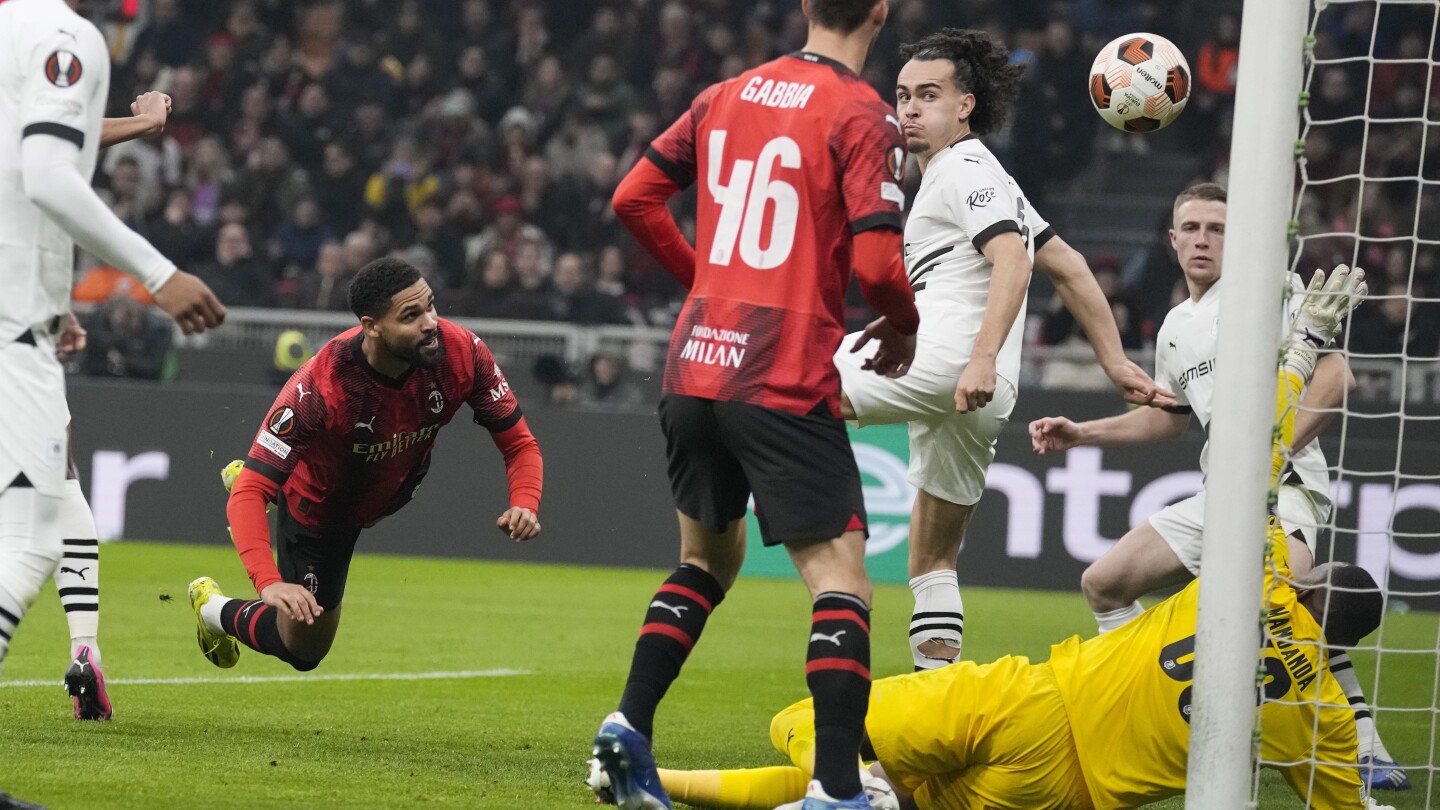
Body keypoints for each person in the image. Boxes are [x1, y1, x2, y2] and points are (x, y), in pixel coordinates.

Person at [592, 267, 1397, 810]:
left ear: (1307, 583)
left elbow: (1255, 453)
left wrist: (1301, 347)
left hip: (1030, 703)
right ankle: (674, 784)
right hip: (1062, 794)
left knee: (805, 728)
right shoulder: (1320, 715)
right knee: (888, 786)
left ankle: (824, 786)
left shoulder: (1255, 583)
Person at [595, 1, 922, 807]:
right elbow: (880, 269)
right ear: (881, 11)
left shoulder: (723, 95)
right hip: (781, 370)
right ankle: (837, 790)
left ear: (805, 4)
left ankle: (626, 730)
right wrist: (905, 326)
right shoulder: (862, 113)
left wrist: (709, 285)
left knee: (706, 562)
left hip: (695, 364)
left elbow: (633, 198)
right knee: (842, 583)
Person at [1028, 183, 1408, 791]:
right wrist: (1083, 432)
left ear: (1238, 238)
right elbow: (1168, 419)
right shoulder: (1176, 325)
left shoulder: (1270, 290)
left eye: (1218, 228)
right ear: (1172, 239)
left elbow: (1336, 376)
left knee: (1287, 608)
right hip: (1222, 489)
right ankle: (1142, 706)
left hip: (1284, 486)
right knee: (1104, 583)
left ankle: (1364, 748)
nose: (1203, 239)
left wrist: (1268, 453)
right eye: (1192, 228)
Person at [831, 28, 1171, 671]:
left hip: (950, 359)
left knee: (782, 388)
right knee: (933, 559)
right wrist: (1113, 360)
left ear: (966, 104)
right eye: (903, 95)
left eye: (928, 95)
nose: (909, 108)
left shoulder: (963, 169)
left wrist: (981, 356)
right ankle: (940, 692)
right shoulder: (986, 176)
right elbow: (1068, 265)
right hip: (978, 389)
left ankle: (809, 564)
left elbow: (1013, 259)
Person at [0, 0, 224, 759]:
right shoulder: (66, 34)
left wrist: (54, 301)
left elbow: (36, 151)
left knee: (54, 498)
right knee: (32, 537)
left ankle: (87, 652)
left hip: (23, 314)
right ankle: (87, 649)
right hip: (9, 326)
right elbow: (47, 177)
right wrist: (158, 274)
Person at [190, 257, 543, 675]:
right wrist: (269, 583)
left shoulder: (462, 351)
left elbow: (520, 445)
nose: (430, 323)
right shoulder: (320, 386)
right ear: (372, 326)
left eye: (431, 306)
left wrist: (525, 502)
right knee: (303, 650)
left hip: (387, 489)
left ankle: (276, 488)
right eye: (410, 316)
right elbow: (250, 492)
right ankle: (211, 608)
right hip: (322, 509)